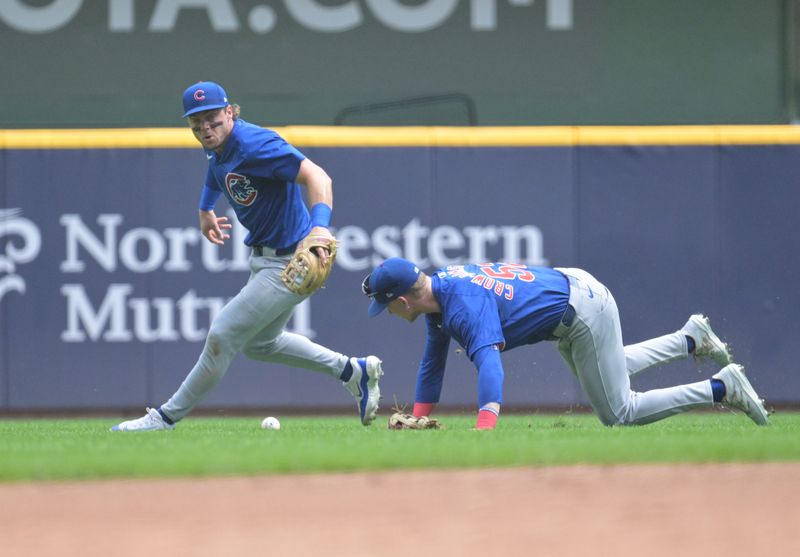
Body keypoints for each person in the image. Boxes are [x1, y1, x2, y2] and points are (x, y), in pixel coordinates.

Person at [112, 81, 383, 431]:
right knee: (260, 344)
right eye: (197, 124)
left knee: (222, 335)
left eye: (213, 119)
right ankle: (352, 371)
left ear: (230, 112)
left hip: (291, 260)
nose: (206, 129)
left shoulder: (256, 144)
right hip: (264, 259)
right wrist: (205, 207)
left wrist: (320, 228)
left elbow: (319, 176)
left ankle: (164, 418)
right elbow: (216, 167)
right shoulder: (217, 145)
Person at [361, 257, 769, 430]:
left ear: (401, 301)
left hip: (581, 312)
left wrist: (484, 427)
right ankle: (689, 340)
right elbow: (433, 364)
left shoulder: (461, 305)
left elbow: (490, 365)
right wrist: (417, 416)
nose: (390, 315)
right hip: (571, 293)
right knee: (610, 370)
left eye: (387, 308)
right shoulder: (438, 294)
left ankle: (721, 387)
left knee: (619, 412)